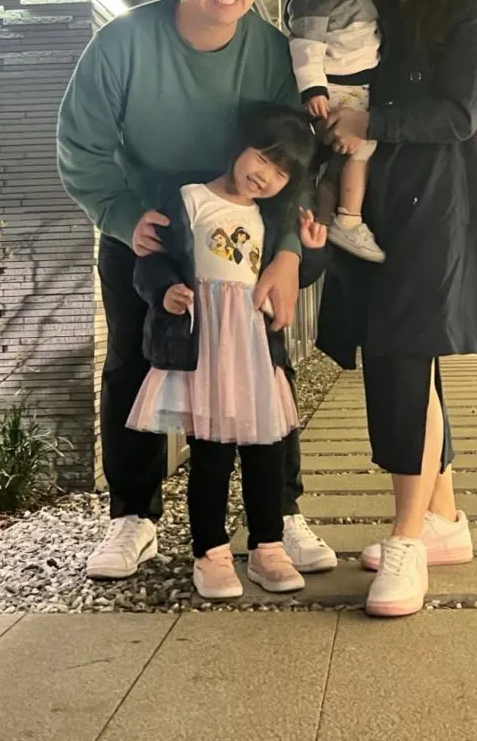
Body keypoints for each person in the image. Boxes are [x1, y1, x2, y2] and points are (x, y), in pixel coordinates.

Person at [57, 0, 338, 582]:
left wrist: (287, 253)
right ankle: (133, 515)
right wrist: (122, 217)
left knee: (267, 366)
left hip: (244, 230)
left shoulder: (270, 52)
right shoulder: (122, 43)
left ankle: (281, 513)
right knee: (134, 360)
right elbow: (81, 147)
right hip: (151, 225)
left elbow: (297, 162)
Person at [318, 0, 477, 618]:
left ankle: (406, 540)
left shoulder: (465, 14)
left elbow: (460, 114)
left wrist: (372, 122)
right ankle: (443, 521)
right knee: (406, 359)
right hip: (370, 211)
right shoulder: (365, 13)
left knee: (401, 361)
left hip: (434, 210)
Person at [129, 104, 329, 599]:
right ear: (240, 144)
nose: (266, 175)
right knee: (211, 454)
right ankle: (211, 552)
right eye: (263, 157)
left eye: (281, 173)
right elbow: (151, 261)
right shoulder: (190, 200)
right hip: (206, 348)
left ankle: (268, 547)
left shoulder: (271, 217)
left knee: (267, 451)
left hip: (255, 350)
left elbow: (296, 279)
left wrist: (312, 250)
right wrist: (165, 292)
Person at [284, 0, 385, 263]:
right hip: (338, 88)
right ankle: (349, 219)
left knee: (338, 162)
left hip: (362, 86)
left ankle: (324, 219)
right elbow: (305, 47)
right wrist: (314, 88)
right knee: (362, 148)